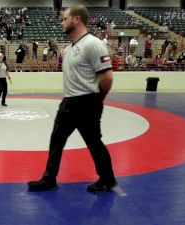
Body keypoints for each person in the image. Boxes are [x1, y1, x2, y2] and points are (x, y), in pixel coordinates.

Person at [28, 5, 117, 192]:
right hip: (68, 102)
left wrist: (97, 98)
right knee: (56, 140)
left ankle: (108, 179)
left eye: (65, 19)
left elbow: (107, 78)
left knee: (93, 142)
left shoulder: (93, 44)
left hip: (87, 102)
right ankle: (49, 178)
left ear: (76, 19)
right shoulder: (68, 49)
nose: (62, 22)